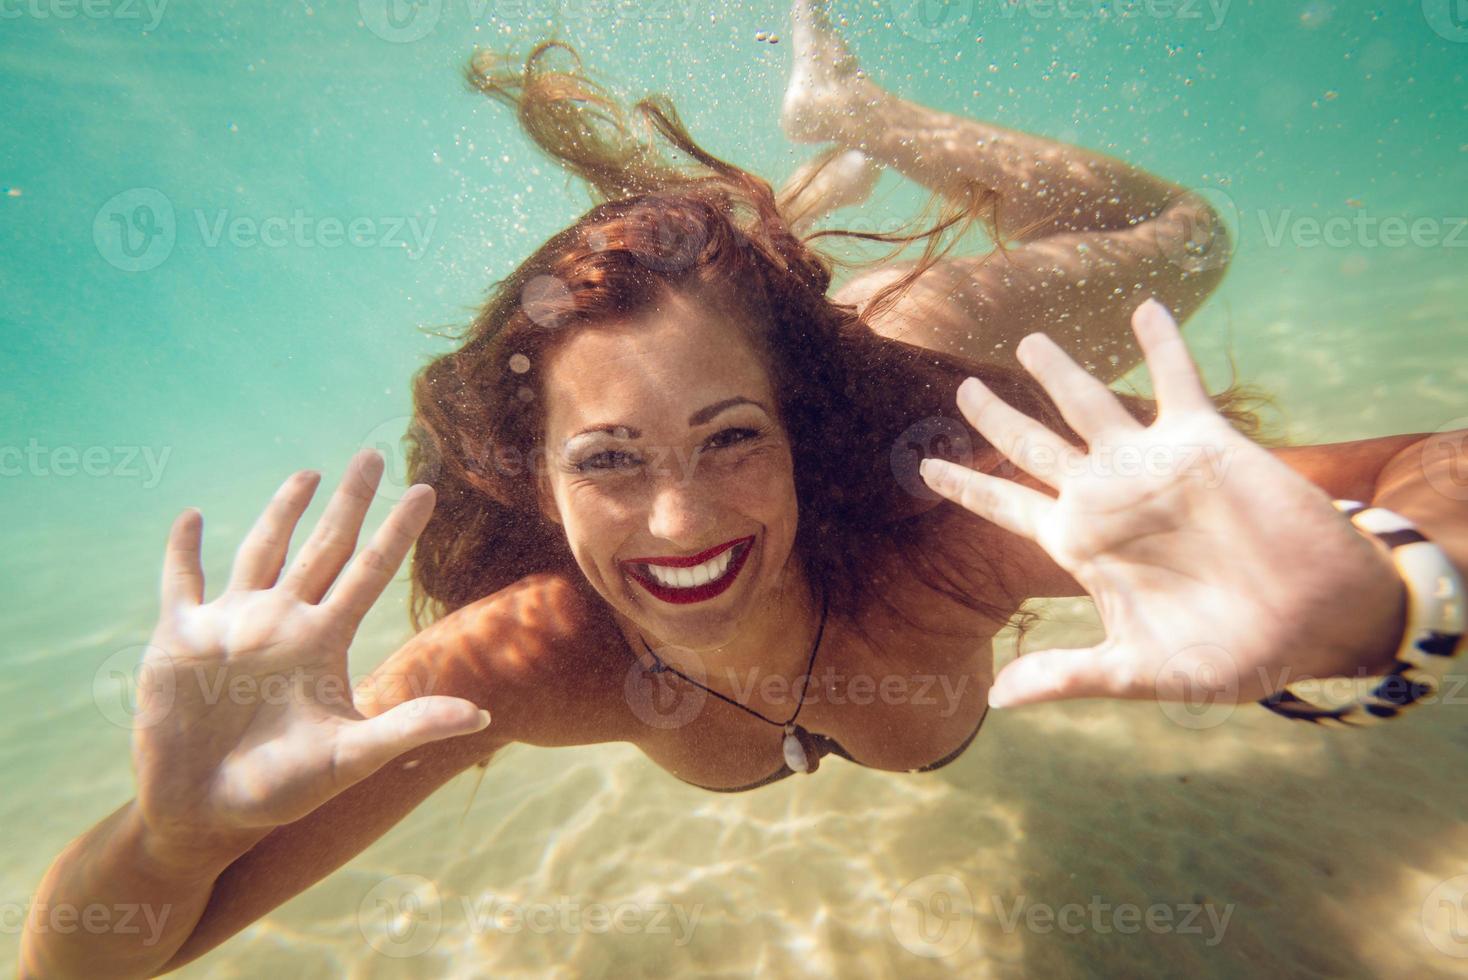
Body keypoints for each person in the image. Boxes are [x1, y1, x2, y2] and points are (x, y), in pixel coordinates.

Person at [21, 6, 1466, 975]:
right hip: (780, 355)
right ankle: (766, 260)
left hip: (920, 337)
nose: (681, 524)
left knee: (1179, 235)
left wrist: (1395, 589)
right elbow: (89, 963)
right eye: (607, 459)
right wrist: (175, 837)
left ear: (801, 428)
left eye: (731, 440)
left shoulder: (959, 503)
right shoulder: (524, 663)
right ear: (532, 477)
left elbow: (1435, 467)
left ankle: (853, 111)